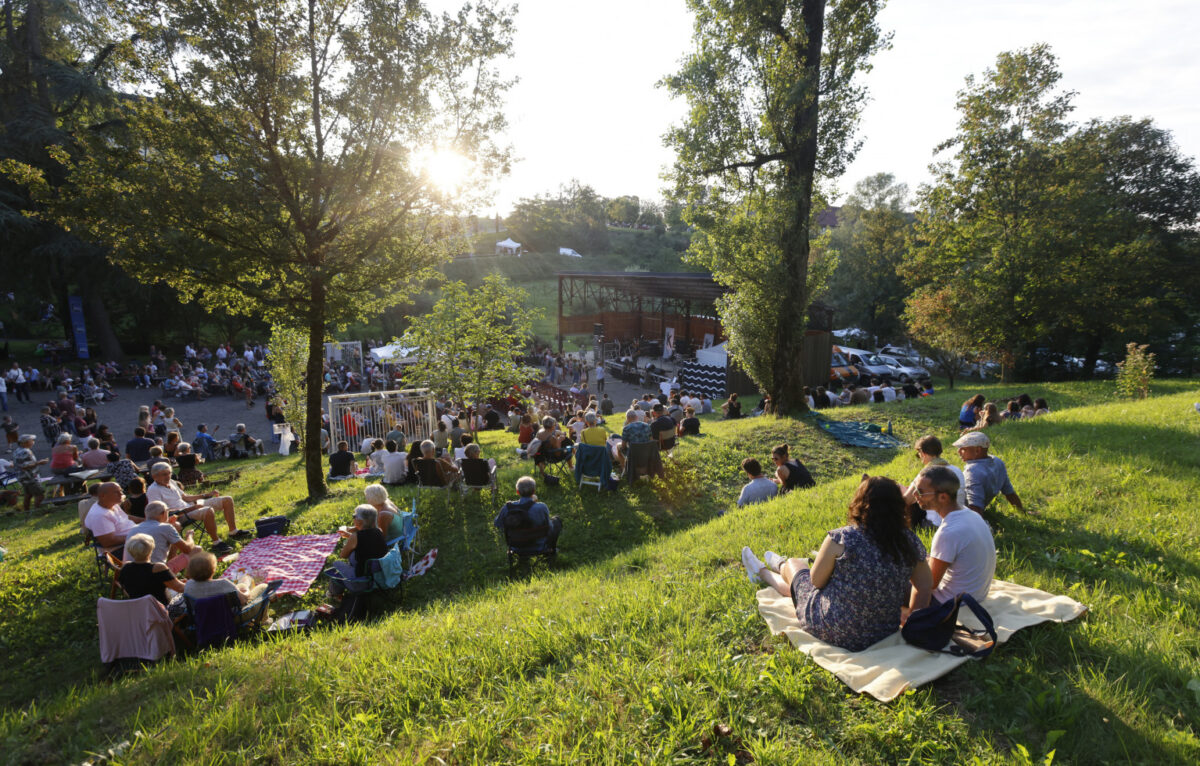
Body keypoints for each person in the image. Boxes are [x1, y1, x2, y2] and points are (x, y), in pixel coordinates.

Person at [740, 476, 933, 651]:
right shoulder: (909, 541)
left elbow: (816, 582)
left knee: (798, 568)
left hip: (833, 628)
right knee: (802, 586)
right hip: (883, 632)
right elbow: (924, 586)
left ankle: (775, 566)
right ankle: (766, 569)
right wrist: (912, 620)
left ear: (860, 503)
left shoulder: (842, 538)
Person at [913, 466, 997, 604]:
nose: (915, 495)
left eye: (921, 492)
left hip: (951, 603)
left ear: (943, 497)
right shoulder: (971, 515)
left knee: (891, 582)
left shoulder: (948, 532)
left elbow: (929, 583)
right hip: (976, 597)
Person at [146, 462, 249, 553]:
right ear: (155, 476)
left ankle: (233, 531)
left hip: (190, 506)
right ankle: (216, 542)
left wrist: (205, 495)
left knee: (227, 499)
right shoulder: (153, 490)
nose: (168, 476)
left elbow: (185, 497)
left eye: (169, 473)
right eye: (164, 474)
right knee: (208, 511)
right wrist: (191, 509)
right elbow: (160, 513)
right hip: (180, 516)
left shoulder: (171, 482)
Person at [953, 432, 1029, 514]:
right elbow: (1009, 493)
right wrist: (1022, 511)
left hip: (958, 512)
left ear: (977, 450)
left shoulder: (972, 471)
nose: (959, 451)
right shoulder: (997, 462)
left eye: (963, 449)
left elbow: (975, 506)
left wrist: (977, 525)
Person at [902, 435, 966, 526]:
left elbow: (907, 500)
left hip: (936, 524)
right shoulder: (957, 470)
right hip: (960, 519)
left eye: (918, 455)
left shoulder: (925, 475)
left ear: (922, 453)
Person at [328, 505, 389, 597]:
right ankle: (335, 593)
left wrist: (350, 539)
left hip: (361, 582)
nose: (353, 518)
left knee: (336, 564)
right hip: (380, 577)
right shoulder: (379, 531)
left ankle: (333, 594)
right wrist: (350, 536)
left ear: (360, 521)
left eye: (354, 516)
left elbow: (342, 555)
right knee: (354, 555)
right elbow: (367, 540)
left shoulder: (356, 536)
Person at [118, 532, 185, 608]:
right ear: (151, 549)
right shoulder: (158, 568)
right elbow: (181, 588)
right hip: (162, 612)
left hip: (138, 610)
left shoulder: (126, 567)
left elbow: (126, 589)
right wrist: (192, 583)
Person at [493, 476, 562, 549]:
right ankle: (552, 549)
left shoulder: (507, 508)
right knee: (556, 520)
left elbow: (498, 524)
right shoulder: (542, 507)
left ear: (517, 492)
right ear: (534, 491)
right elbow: (549, 527)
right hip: (540, 546)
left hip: (515, 546)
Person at [124, 500, 200, 565]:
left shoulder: (133, 528)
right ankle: (192, 581)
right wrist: (189, 536)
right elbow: (188, 549)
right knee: (196, 549)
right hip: (155, 573)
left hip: (130, 574)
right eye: (168, 512)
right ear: (164, 513)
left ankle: (174, 576)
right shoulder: (166, 528)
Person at [84, 482, 135, 551]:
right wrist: (136, 535)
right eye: (116, 492)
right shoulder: (99, 515)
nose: (121, 494)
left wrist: (147, 520)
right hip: (121, 549)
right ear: (103, 496)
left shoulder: (111, 503)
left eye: (120, 491)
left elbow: (126, 517)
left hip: (132, 539)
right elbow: (108, 542)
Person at [13, 434, 47, 511]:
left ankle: (26, 511)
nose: (33, 442)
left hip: (22, 477)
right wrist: (39, 463)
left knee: (28, 495)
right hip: (29, 477)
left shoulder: (17, 450)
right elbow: (24, 466)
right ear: (25, 442)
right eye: (31, 441)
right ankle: (37, 510)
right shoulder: (25, 451)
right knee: (40, 494)